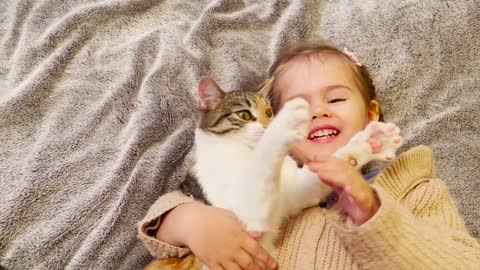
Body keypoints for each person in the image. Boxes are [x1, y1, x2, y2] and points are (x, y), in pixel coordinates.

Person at [138, 42, 480, 270]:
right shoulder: (251, 168)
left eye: (334, 100)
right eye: (298, 108)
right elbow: (159, 221)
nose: (318, 112)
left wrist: (376, 216)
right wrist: (192, 222)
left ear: (371, 114)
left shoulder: (412, 185)